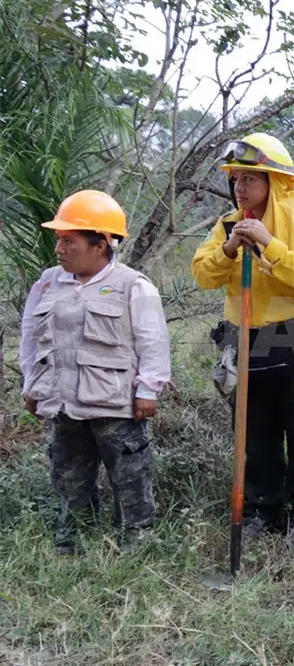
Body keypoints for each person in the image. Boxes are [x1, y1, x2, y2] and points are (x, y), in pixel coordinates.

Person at [191, 132, 294, 548]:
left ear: (277, 182)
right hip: (243, 335)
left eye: (251, 178)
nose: (240, 187)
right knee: (254, 431)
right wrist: (231, 248)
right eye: (236, 179)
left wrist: (268, 245)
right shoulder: (225, 227)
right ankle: (260, 511)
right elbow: (202, 275)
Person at [19, 190, 171, 555]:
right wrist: (31, 385)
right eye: (59, 240)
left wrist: (148, 390)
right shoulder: (48, 282)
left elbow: (153, 341)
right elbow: (29, 336)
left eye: (69, 241)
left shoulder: (134, 286)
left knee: (130, 478)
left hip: (115, 404)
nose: (59, 248)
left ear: (101, 244)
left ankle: (135, 547)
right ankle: (73, 544)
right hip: (63, 403)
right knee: (69, 478)